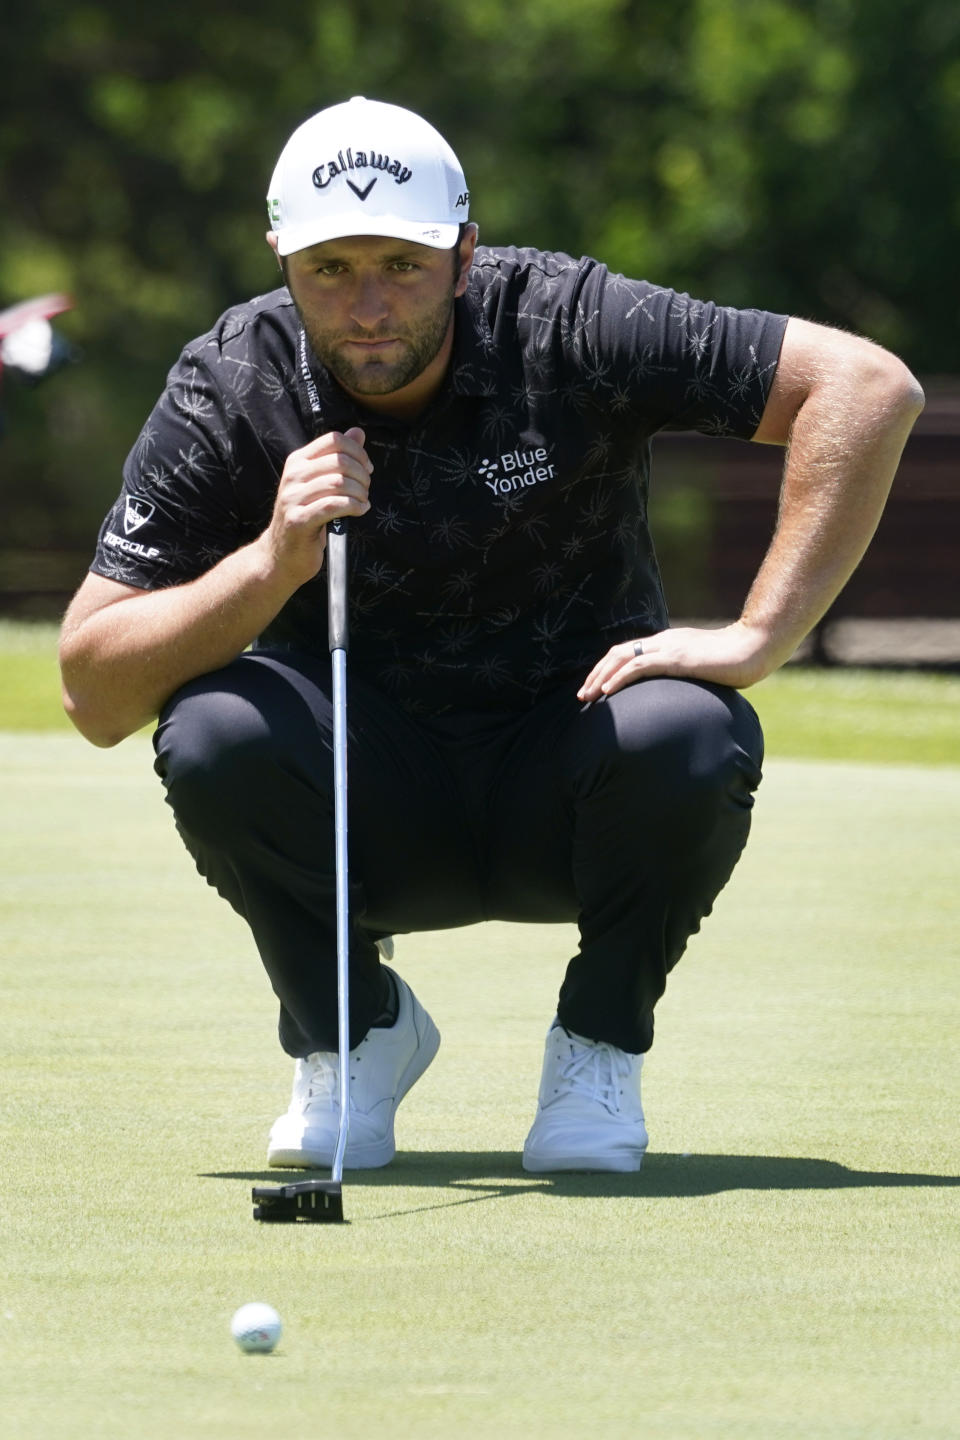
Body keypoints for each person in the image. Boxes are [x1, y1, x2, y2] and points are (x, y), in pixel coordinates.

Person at [59, 97, 923, 1175]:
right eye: (330, 268)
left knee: (691, 729)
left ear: (465, 256)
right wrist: (271, 559)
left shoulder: (567, 321)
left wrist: (760, 635)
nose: (368, 305)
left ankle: (597, 1046)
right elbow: (93, 691)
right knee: (213, 730)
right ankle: (354, 1032)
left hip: (568, 783)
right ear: (282, 259)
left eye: (403, 264)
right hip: (365, 813)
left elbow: (866, 386)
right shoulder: (232, 382)